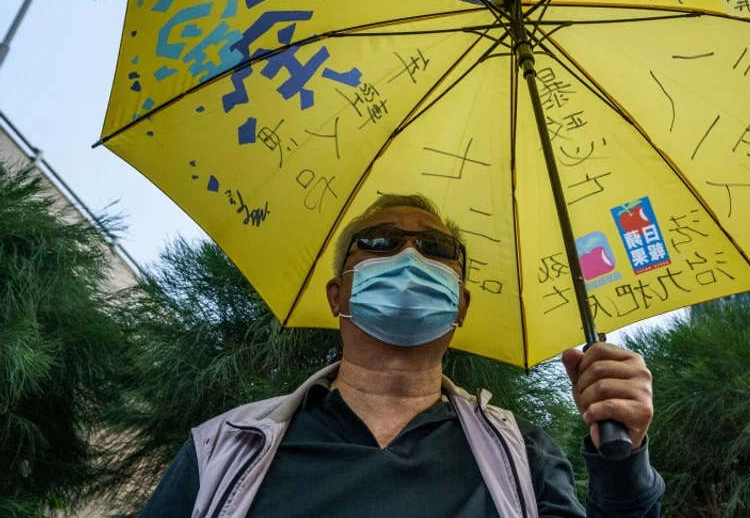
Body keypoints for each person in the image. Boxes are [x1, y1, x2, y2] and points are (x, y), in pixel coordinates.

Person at [139, 194, 663, 517]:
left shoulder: (524, 454)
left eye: (437, 249)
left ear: (460, 306)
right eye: (380, 239)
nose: (410, 256)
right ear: (336, 295)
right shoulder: (222, 449)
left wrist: (625, 462)